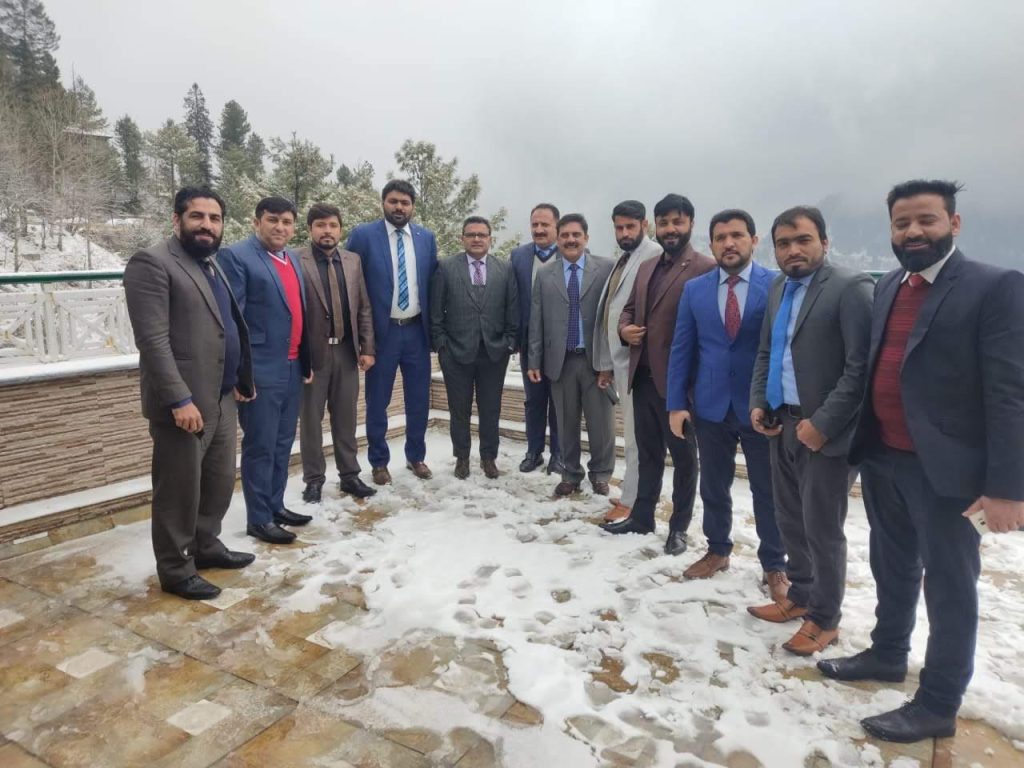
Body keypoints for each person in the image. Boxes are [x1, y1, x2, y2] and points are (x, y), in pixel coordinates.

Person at [818, 180, 1024, 743]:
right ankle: (888, 653)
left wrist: (1008, 487)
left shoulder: (994, 286)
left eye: (926, 220)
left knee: (950, 588)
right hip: (884, 456)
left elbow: (1010, 392)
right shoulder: (889, 284)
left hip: (948, 474)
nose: (913, 232)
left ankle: (937, 703)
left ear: (953, 224)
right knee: (892, 567)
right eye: (902, 223)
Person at [747, 205, 873, 655]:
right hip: (782, 423)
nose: (793, 250)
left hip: (826, 433)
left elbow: (861, 368)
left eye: (803, 240)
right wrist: (759, 403)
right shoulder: (779, 287)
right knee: (789, 518)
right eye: (783, 243)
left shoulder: (851, 288)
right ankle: (800, 595)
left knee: (822, 528)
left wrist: (823, 425)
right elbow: (767, 353)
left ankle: (825, 618)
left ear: (824, 241)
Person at [123, 186, 255, 600]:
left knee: (217, 482)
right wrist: (178, 399)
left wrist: (241, 379)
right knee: (178, 490)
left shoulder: (211, 262)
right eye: (197, 216)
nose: (207, 225)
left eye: (214, 218)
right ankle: (176, 569)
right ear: (176, 219)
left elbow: (226, 325)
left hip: (222, 396)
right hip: (184, 404)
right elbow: (153, 341)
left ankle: (205, 544)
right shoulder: (152, 263)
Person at [666, 209, 787, 596]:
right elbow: (682, 349)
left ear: (754, 240)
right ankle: (717, 549)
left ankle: (775, 564)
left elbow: (784, 348)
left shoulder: (777, 285)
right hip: (710, 405)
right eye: (720, 237)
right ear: (712, 244)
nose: (729, 243)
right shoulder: (695, 290)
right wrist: (676, 404)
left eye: (737, 235)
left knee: (768, 490)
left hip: (761, 409)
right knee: (714, 485)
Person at [602, 194, 715, 556]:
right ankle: (642, 516)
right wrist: (624, 329)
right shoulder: (648, 266)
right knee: (648, 453)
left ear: (691, 223)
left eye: (677, 222)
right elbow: (628, 309)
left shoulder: (705, 268)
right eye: (664, 223)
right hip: (643, 378)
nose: (670, 229)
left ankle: (678, 528)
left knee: (684, 460)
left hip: (681, 386)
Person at [220, 196, 313, 545]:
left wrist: (305, 361)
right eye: (273, 220)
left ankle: (275, 505)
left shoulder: (292, 258)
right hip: (260, 370)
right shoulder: (237, 257)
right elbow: (232, 321)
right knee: (260, 445)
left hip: (292, 366)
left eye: (287, 222)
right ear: (257, 222)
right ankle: (259, 519)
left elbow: (297, 313)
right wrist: (240, 374)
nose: (280, 227)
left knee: (282, 442)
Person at [346, 180, 438, 485]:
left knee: (418, 400)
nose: (399, 207)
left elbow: (432, 284)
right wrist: (362, 339)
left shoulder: (426, 238)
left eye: (405, 202)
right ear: (383, 202)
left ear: (413, 207)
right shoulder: (363, 236)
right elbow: (351, 282)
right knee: (378, 401)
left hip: (416, 332)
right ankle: (379, 461)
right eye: (393, 201)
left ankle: (416, 456)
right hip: (381, 334)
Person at [527, 214, 615, 496]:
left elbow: (613, 316)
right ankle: (570, 474)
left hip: (596, 362)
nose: (570, 240)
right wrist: (534, 359)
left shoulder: (606, 269)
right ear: (558, 239)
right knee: (565, 424)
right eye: (565, 235)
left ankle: (601, 474)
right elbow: (536, 320)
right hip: (560, 361)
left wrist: (610, 363)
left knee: (601, 425)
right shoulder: (545, 274)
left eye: (576, 234)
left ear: (586, 238)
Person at [296, 203, 376, 504]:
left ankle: (350, 475)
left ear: (340, 229)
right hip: (311, 355)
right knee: (311, 420)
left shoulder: (353, 261)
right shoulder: (295, 260)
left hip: (346, 351)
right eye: (320, 225)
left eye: (332, 225)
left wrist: (367, 347)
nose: (327, 231)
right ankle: (314, 480)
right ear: (310, 229)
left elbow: (363, 307)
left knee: (346, 418)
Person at [430, 216, 519, 478]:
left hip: (494, 353)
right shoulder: (446, 267)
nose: (477, 239)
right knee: (459, 410)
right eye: (471, 234)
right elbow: (436, 311)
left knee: (491, 409)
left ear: (490, 239)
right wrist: (442, 345)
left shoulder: (505, 269)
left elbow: (512, 309)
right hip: (456, 353)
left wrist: (509, 342)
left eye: (482, 234)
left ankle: (489, 458)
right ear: (462, 239)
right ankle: (462, 458)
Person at [593, 200, 662, 521]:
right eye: (619, 227)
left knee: (637, 436)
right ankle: (632, 492)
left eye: (630, 227)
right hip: (621, 361)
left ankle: (633, 500)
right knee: (632, 433)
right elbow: (612, 309)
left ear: (644, 225)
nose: (624, 233)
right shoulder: (626, 258)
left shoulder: (653, 255)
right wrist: (606, 363)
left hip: (639, 363)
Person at [509, 204, 563, 474]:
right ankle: (534, 452)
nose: (539, 230)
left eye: (545, 225)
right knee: (534, 401)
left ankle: (559, 455)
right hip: (530, 344)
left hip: (562, 346)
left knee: (560, 402)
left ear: (557, 227)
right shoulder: (518, 256)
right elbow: (513, 299)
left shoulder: (571, 253)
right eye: (535, 225)